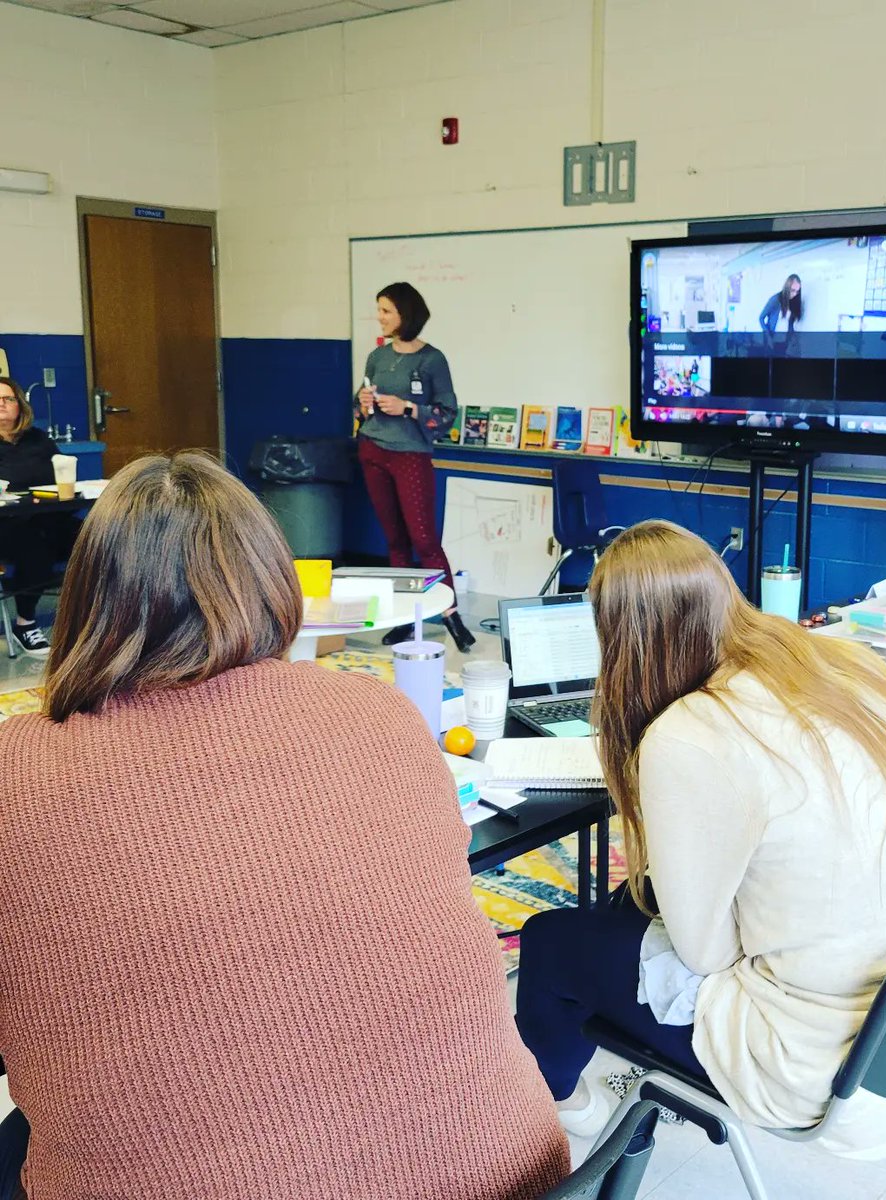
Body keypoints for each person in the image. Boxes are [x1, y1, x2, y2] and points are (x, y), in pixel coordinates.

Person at [0, 453, 568, 1200]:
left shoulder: (18, 771)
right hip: (510, 1173)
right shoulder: (380, 711)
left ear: (88, 600)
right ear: (272, 581)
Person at [515, 521, 886, 1157]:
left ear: (618, 640)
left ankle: (564, 1109)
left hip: (813, 1068)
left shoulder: (691, 731)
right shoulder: (845, 664)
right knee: (632, 903)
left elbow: (706, 955)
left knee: (549, 943)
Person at [356, 282, 474, 652]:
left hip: (410, 455)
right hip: (373, 450)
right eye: (379, 309)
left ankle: (451, 615)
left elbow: (448, 414)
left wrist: (408, 408)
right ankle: (406, 620)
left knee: (425, 540)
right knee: (395, 541)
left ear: (406, 315)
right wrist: (362, 402)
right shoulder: (377, 356)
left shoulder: (432, 360)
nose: (380, 317)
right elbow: (360, 406)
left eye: (386, 311)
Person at [0, 377, 76, 655]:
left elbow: (60, 473)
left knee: (96, 537)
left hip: (47, 517)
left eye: (8, 399)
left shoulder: (38, 438)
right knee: (35, 547)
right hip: (6, 524)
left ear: (20, 405)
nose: (2, 404)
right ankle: (25, 624)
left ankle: (99, 620)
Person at [758, 273, 802, 349]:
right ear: (787, 287)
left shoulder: (793, 301)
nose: (795, 294)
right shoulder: (775, 299)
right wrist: (768, 337)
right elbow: (761, 318)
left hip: (784, 342)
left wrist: (792, 338)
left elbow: (790, 323)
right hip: (771, 341)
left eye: (797, 291)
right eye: (793, 290)